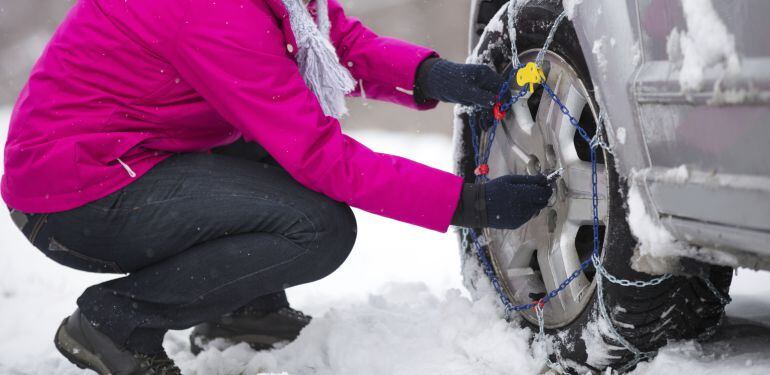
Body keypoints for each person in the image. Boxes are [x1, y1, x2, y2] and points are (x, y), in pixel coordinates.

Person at [1, 0, 552, 373]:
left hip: (136, 156)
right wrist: (464, 202)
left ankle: (247, 307)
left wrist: (427, 75)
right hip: (80, 195)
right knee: (316, 230)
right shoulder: (211, 13)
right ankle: (115, 322)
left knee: (273, 159)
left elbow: (330, 44)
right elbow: (317, 155)